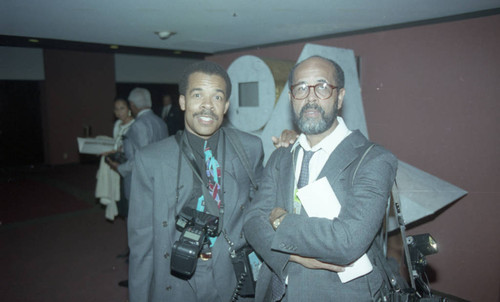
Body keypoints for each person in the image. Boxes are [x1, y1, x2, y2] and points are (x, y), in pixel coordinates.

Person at [243, 56, 398, 302]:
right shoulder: (282, 156)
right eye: (301, 88)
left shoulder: (374, 160)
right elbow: (252, 221)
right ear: (292, 98)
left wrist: (281, 220)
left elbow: (347, 241)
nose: (311, 97)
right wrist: (291, 256)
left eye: (323, 87)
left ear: (340, 97)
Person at [127, 61, 266, 302]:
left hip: (233, 276)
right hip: (175, 279)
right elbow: (142, 243)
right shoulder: (151, 160)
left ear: (226, 106)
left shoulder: (250, 148)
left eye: (217, 97)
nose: (207, 106)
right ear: (182, 102)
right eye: (198, 95)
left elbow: (262, 208)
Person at [95, 97, 134, 221]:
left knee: (126, 197)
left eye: (122, 108)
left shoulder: (134, 124)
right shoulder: (117, 124)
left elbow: (129, 148)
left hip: (127, 164)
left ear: (129, 109)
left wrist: (115, 150)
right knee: (118, 195)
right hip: (115, 161)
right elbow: (115, 143)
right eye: (116, 109)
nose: (119, 112)